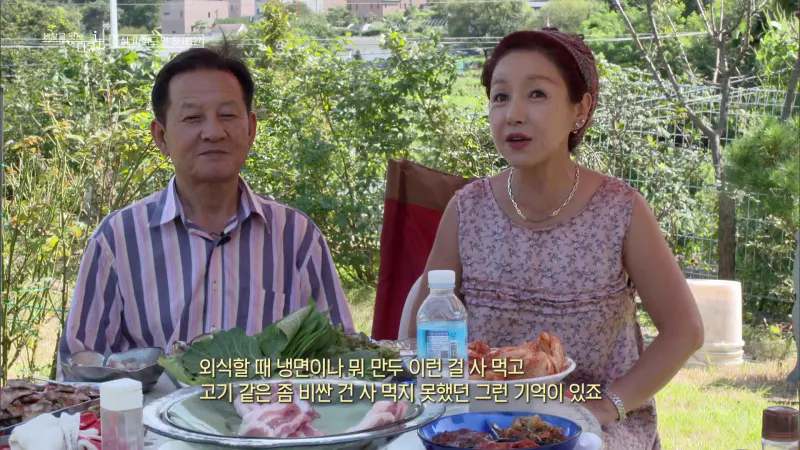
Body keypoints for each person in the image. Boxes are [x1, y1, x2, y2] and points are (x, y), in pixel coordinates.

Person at [406, 29, 704, 449]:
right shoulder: (467, 209)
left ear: (580, 109)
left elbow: (684, 330)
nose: (513, 114)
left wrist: (609, 405)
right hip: (483, 417)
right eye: (500, 97)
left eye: (537, 94)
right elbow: (422, 328)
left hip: (591, 421)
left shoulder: (621, 210)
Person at [59, 44, 354, 361]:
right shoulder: (118, 240)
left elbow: (342, 355)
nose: (213, 132)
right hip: (153, 397)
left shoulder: (296, 237)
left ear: (251, 129)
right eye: (192, 117)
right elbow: (79, 363)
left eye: (227, 115)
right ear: (161, 136)